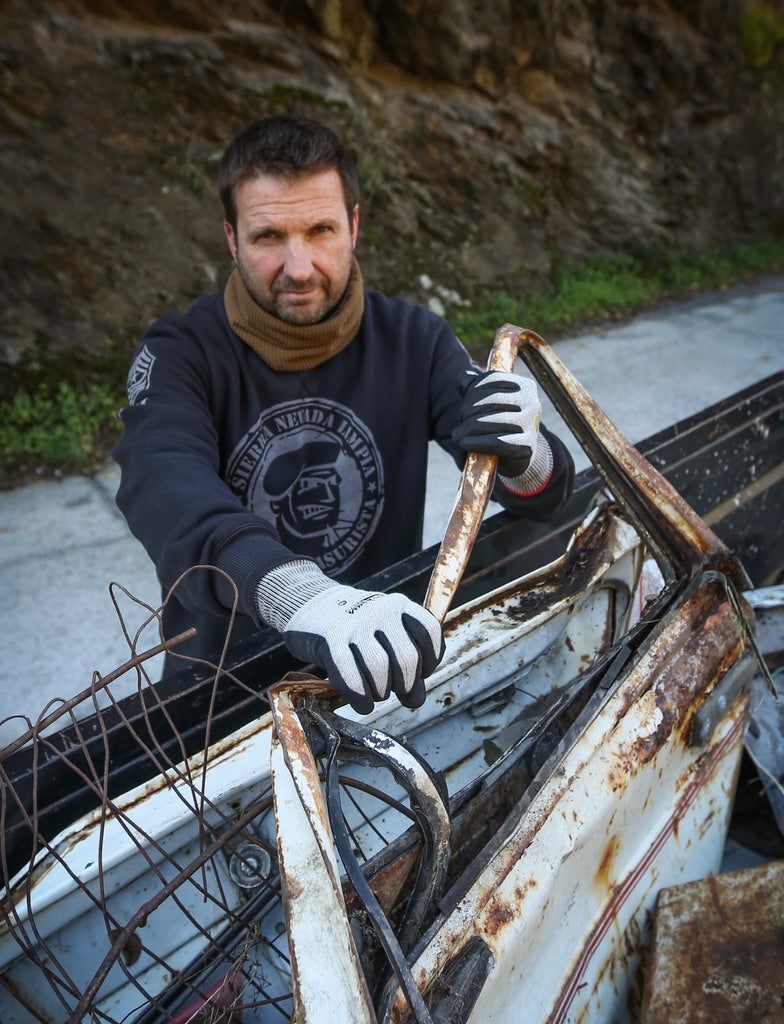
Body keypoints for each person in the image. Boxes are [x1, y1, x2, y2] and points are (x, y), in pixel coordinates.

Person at [113, 115, 574, 714]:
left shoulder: (414, 339)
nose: (299, 267)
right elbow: (166, 487)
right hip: (224, 699)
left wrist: (526, 452)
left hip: (377, 671)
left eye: (320, 229)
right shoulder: (180, 354)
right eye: (268, 237)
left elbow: (542, 497)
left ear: (353, 226)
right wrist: (300, 598)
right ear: (232, 240)